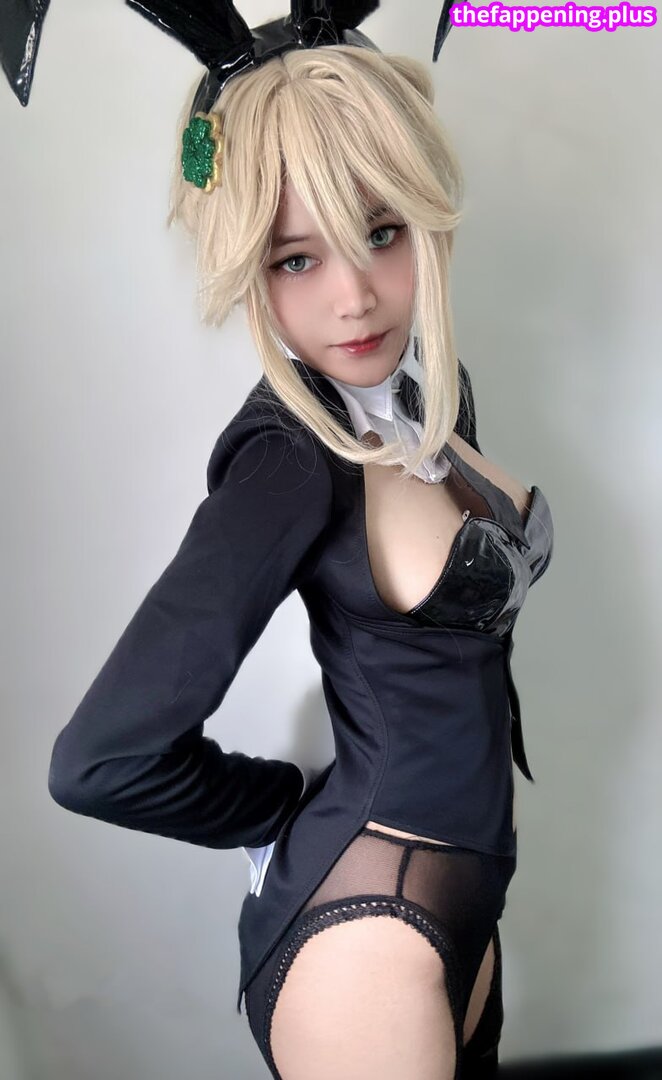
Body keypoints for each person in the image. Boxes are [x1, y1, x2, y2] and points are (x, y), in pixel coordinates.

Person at [5, 3, 554, 1077]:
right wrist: (283, 809)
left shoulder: (430, 392)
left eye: (381, 235)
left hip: (463, 897)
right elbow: (102, 761)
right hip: (366, 938)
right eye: (297, 260)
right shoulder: (288, 461)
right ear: (245, 267)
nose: (354, 298)